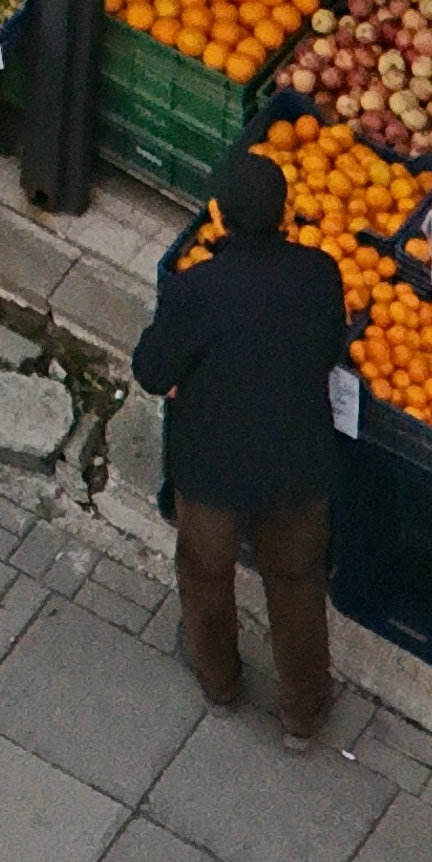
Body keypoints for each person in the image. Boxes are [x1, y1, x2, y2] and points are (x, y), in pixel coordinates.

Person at [131, 137, 349, 741]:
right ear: (285, 213)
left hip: (212, 471)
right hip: (296, 466)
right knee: (298, 582)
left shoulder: (196, 290)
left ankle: (220, 681)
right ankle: (304, 713)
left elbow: (152, 371)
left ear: (219, 215)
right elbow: (332, 347)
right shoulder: (319, 274)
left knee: (206, 575)